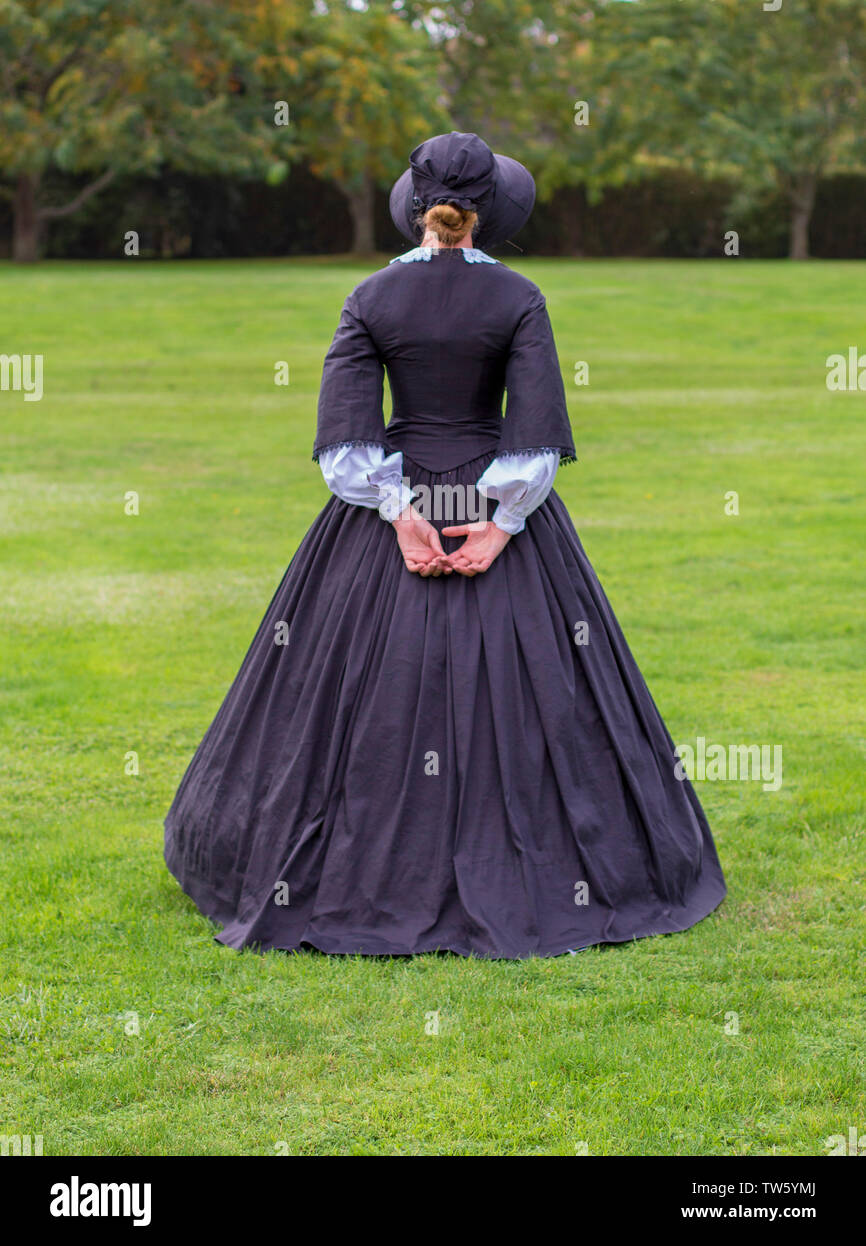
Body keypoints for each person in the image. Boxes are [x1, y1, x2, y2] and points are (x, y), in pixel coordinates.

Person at [164, 131, 726, 957]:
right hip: (492, 509)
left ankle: (351, 876)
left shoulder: (371, 297)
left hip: (394, 509)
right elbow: (533, 435)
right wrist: (500, 525)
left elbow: (345, 437)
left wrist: (399, 510)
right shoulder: (519, 299)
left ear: (417, 206)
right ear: (487, 209)